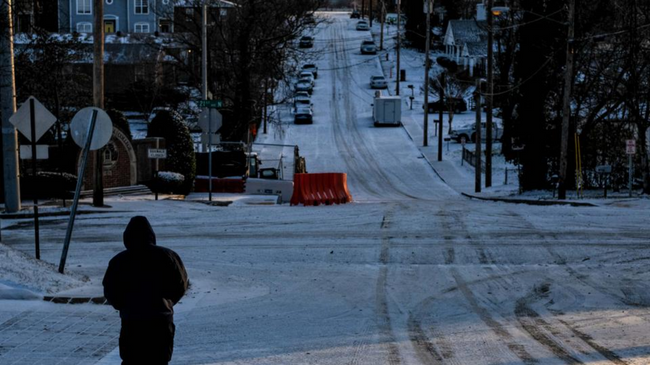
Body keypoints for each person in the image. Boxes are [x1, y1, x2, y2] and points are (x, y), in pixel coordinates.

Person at [103, 216, 189, 365]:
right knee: (159, 360)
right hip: (161, 320)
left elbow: (110, 290)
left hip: (132, 320)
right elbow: (180, 284)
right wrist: (167, 302)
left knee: (131, 360)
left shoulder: (119, 261)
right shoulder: (168, 256)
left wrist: (124, 305)